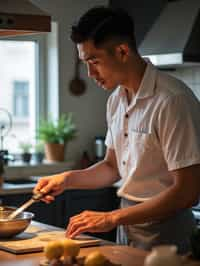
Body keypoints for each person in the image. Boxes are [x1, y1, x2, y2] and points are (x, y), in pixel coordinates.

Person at [34, 6, 200, 254]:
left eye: (94, 61)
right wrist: (67, 180)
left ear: (122, 51)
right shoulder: (116, 100)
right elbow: (112, 167)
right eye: (85, 63)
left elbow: (187, 192)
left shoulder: (171, 100)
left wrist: (111, 218)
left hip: (167, 231)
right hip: (127, 225)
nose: (90, 74)